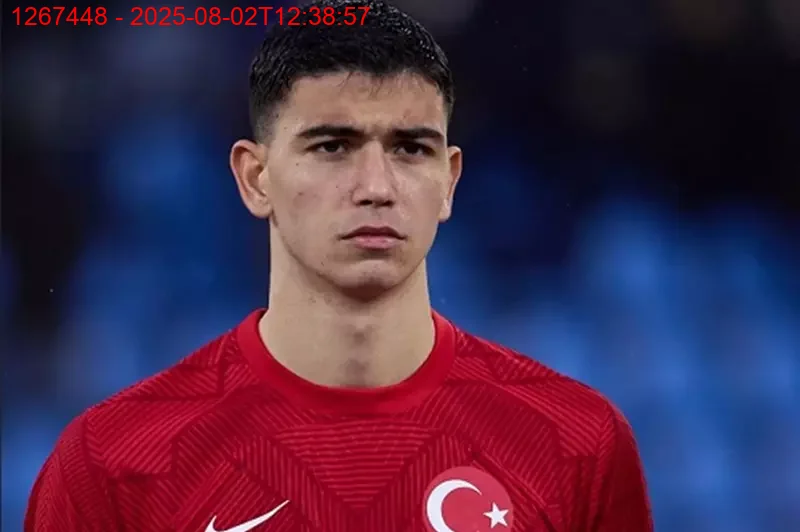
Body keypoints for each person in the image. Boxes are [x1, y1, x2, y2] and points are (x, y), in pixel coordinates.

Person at [25, 0, 653, 530]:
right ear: (255, 177)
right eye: (332, 146)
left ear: (450, 181)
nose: (375, 187)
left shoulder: (577, 444)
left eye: (410, 149)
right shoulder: (113, 463)